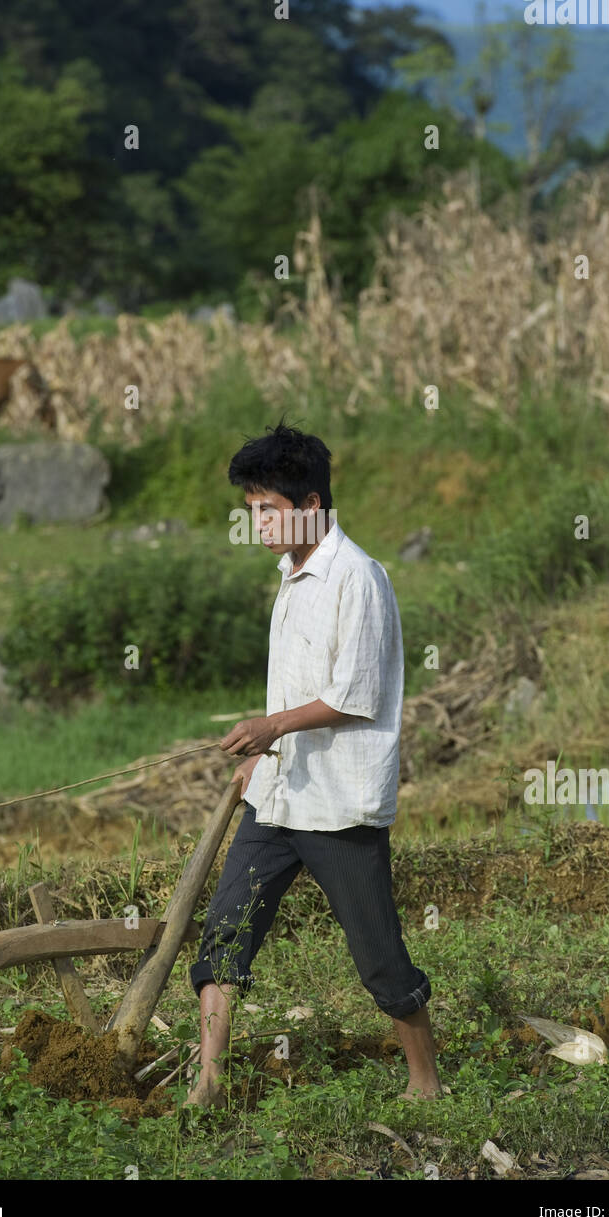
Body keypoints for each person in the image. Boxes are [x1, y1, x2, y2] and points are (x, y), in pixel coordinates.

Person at [185, 419, 442, 1107]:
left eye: (268, 510)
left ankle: (425, 1082)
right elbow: (296, 688)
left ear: (310, 506)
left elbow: (354, 697)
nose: (258, 524)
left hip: (338, 802)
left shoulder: (356, 578)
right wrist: (263, 752)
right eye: (251, 512)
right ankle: (207, 1079)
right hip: (278, 792)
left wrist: (271, 724)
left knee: (377, 953)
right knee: (225, 930)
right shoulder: (290, 575)